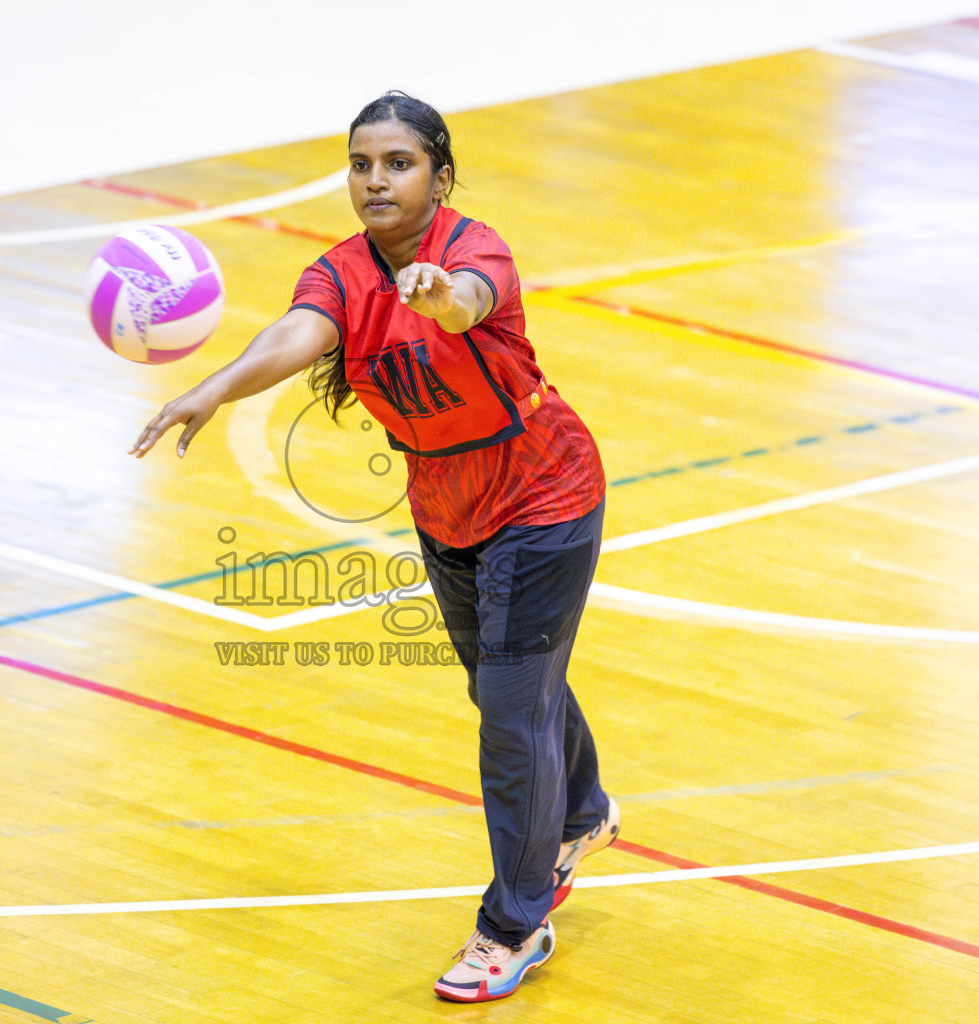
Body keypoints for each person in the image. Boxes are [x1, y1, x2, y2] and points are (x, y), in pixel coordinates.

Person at [130, 90, 620, 1003]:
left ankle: (514, 923)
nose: (375, 181)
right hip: (447, 509)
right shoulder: (341, 274)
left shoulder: (475, 251)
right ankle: (583, 811)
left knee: (513, 712)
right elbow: (299, 333)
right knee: (508, 688)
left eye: (398, 163)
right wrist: (216, 388)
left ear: (439, 174)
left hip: (544, 498)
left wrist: (440, 297)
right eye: (361, 165)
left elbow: (469, 304)